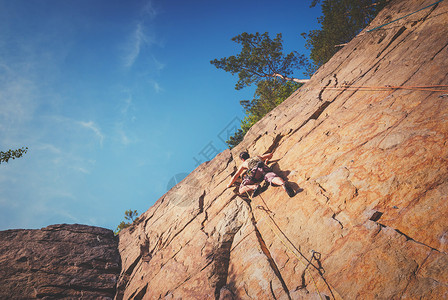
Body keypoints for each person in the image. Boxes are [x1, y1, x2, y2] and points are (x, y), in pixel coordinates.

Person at [226, 151, 295, 197]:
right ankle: (282, 183)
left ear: (243, 159)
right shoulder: (257, 157)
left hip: (255, 172)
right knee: (272, 177)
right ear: (249, 155)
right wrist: (266, 161)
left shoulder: (244, 163)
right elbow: (270, 155)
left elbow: (236, 175)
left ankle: (255, 187)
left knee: (241, 189)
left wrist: (228, 185)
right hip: (263, 167)